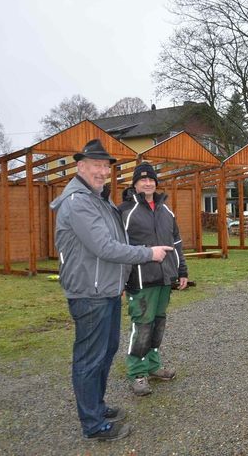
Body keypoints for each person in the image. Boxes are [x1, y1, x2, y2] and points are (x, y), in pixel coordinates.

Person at [50, 139, 174, 442]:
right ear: (80, 166)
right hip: (88, 293)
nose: (103, 171)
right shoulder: (78, 202)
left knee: (105, 352)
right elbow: (104, 247)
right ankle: (93, 424)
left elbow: (114, 241)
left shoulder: (98, 199)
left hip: (105, 289)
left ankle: (98, 406)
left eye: (106, 166)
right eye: (96, 165)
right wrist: (148, 253)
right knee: (90, 358)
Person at [117, 162, 188, 396]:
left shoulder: (166, 210)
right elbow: (118, 248)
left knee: (158, 324)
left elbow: (176, 243)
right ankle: (137, 372)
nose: (147, 183)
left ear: (156, 183)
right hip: (140, 279)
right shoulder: (125, 212)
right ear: (135, 183)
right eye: (142, 180)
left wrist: (182, 271)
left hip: (165, 278)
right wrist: (122, 281)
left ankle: (154, 366)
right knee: (142, 325)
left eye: (151, 179)